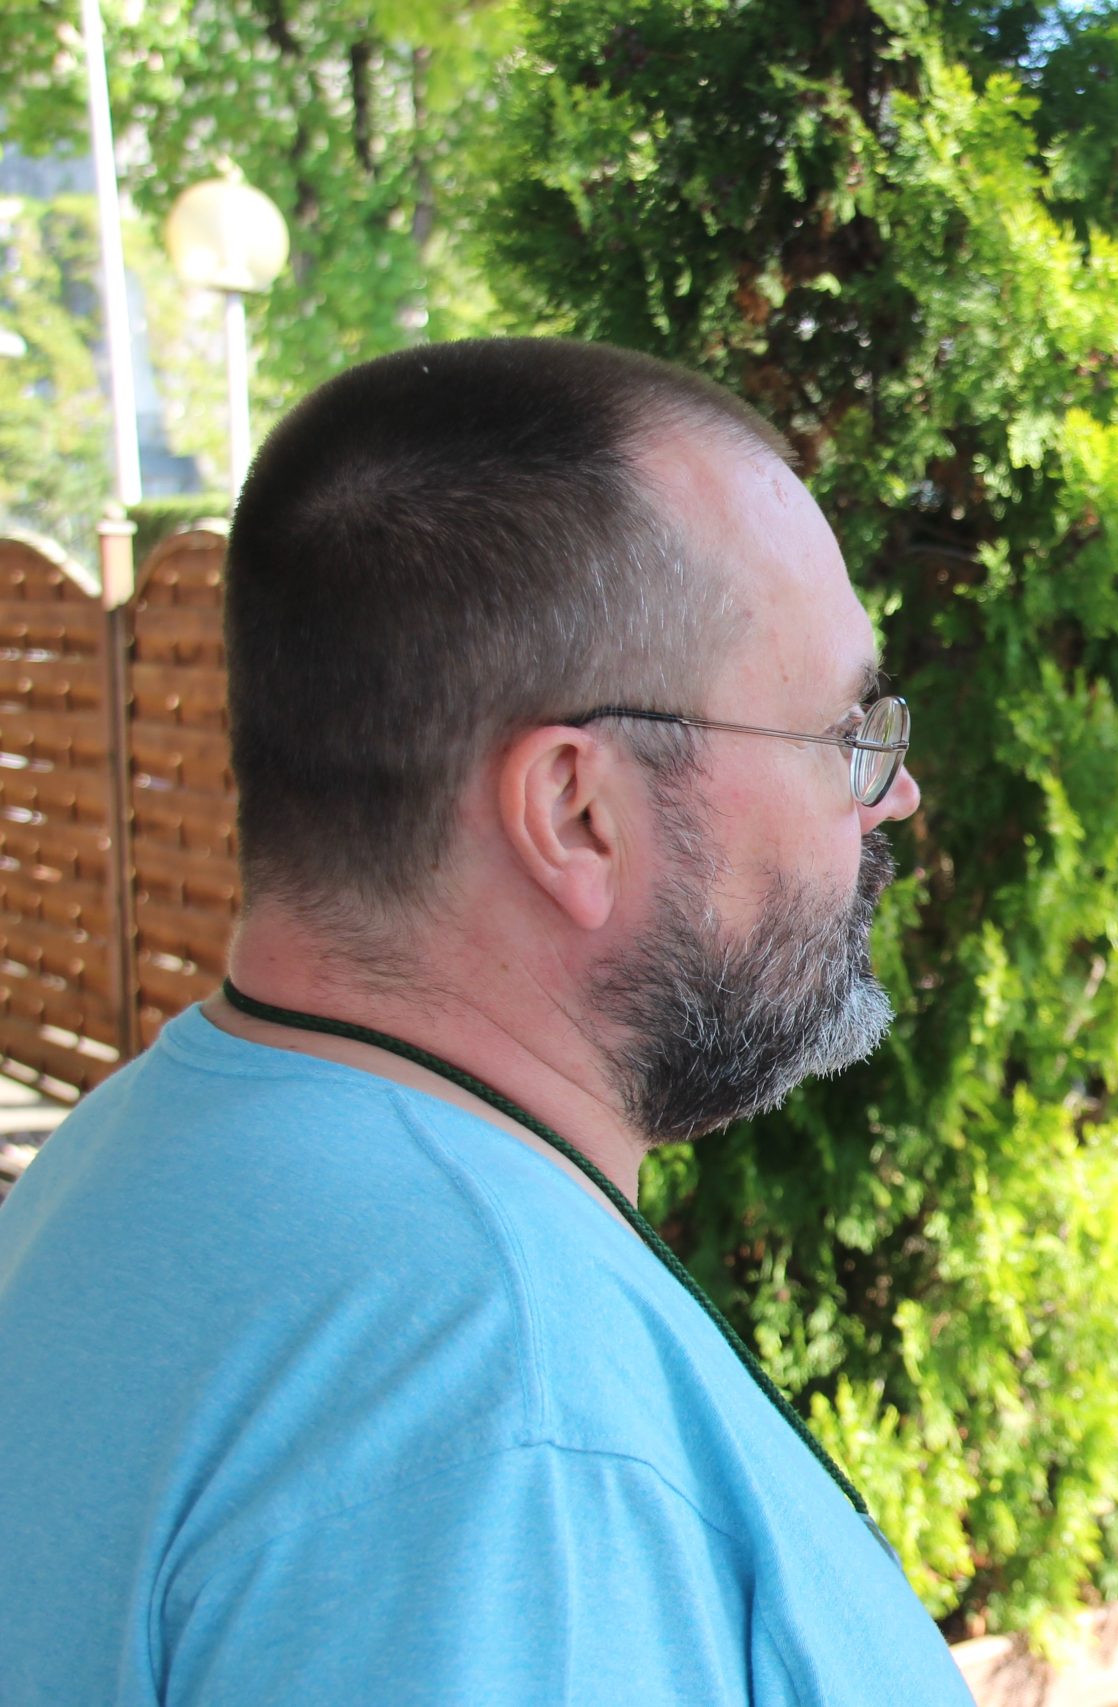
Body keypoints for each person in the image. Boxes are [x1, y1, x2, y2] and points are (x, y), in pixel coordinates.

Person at [0, 339, 975, 1704]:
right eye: (841, 732)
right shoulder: (496, 1415)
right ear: (579, 810)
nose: (892, 798)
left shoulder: (140, 1157)